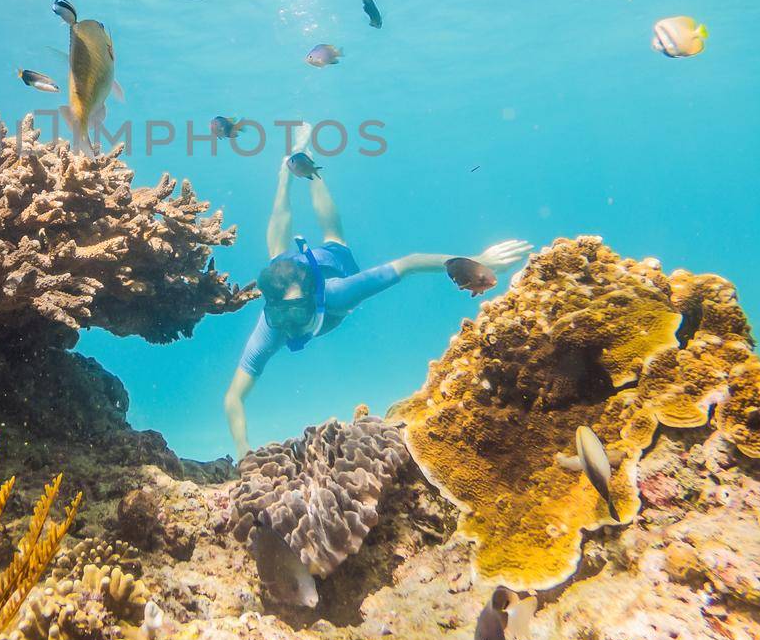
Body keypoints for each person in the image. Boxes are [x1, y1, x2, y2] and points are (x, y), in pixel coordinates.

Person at [222, 133, 530, 459]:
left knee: (333, 234)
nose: (289, 325)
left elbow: (408, 263)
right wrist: (243, 451)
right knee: (276, 246)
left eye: (296, 312)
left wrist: (472, 263)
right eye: (280, 315)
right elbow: (233, 398)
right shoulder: (271, 327)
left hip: (333, 262)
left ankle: (310, 168)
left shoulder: (339, 293)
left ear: (313, 298)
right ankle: (284, 175)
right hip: (285, 271)